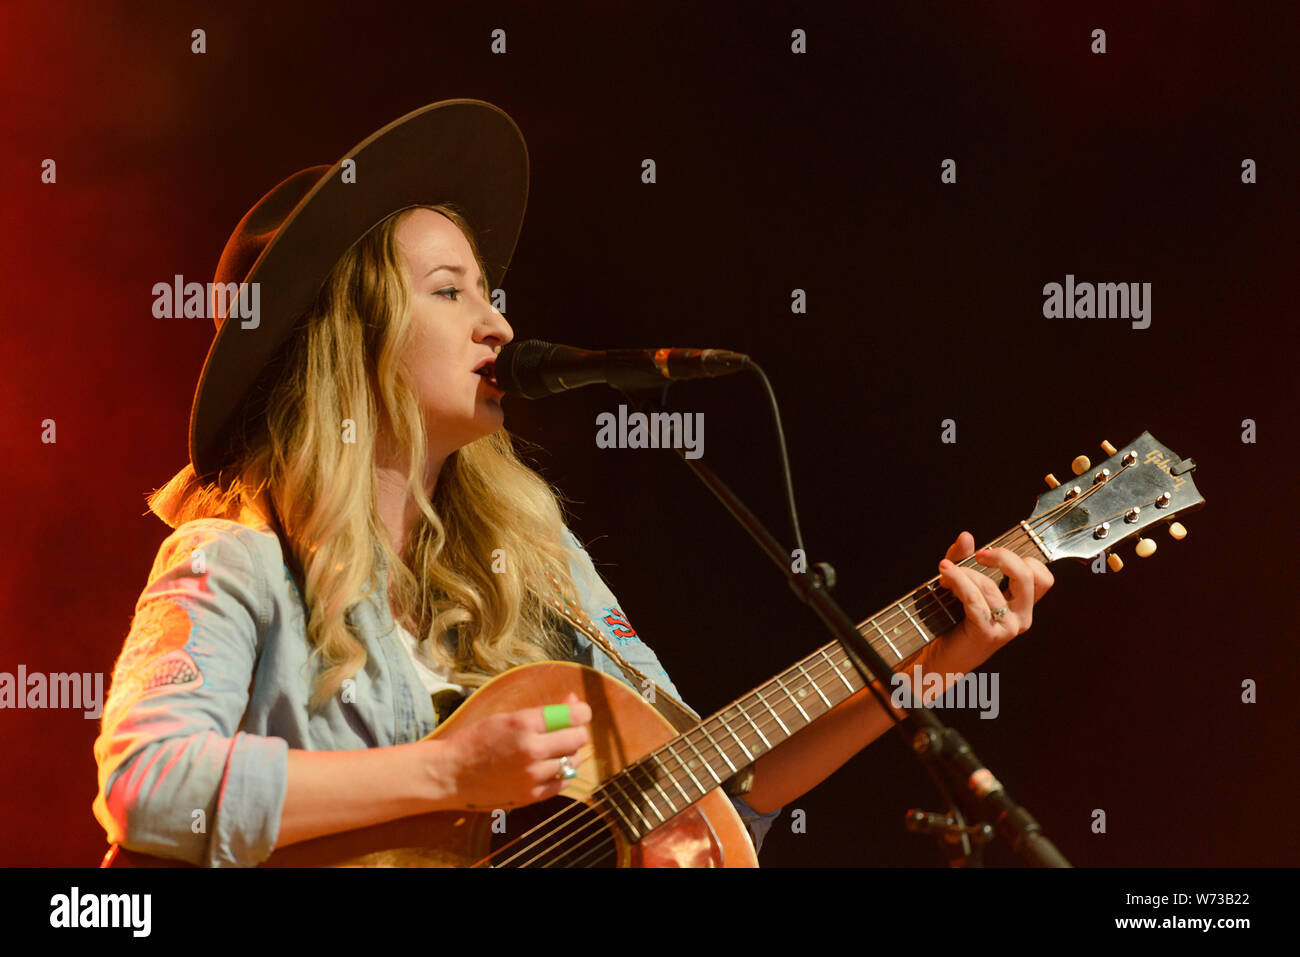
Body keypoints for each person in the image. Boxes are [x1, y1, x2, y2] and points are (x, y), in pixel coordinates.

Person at [93, 100, 1053, 867]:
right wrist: (447, 773)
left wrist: (921, 670)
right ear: (352, 340)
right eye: (449, 290)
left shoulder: (540, 563)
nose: (499, 325)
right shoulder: (238, 560)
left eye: (487, 290)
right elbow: (145, 781)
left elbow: (720, 780)